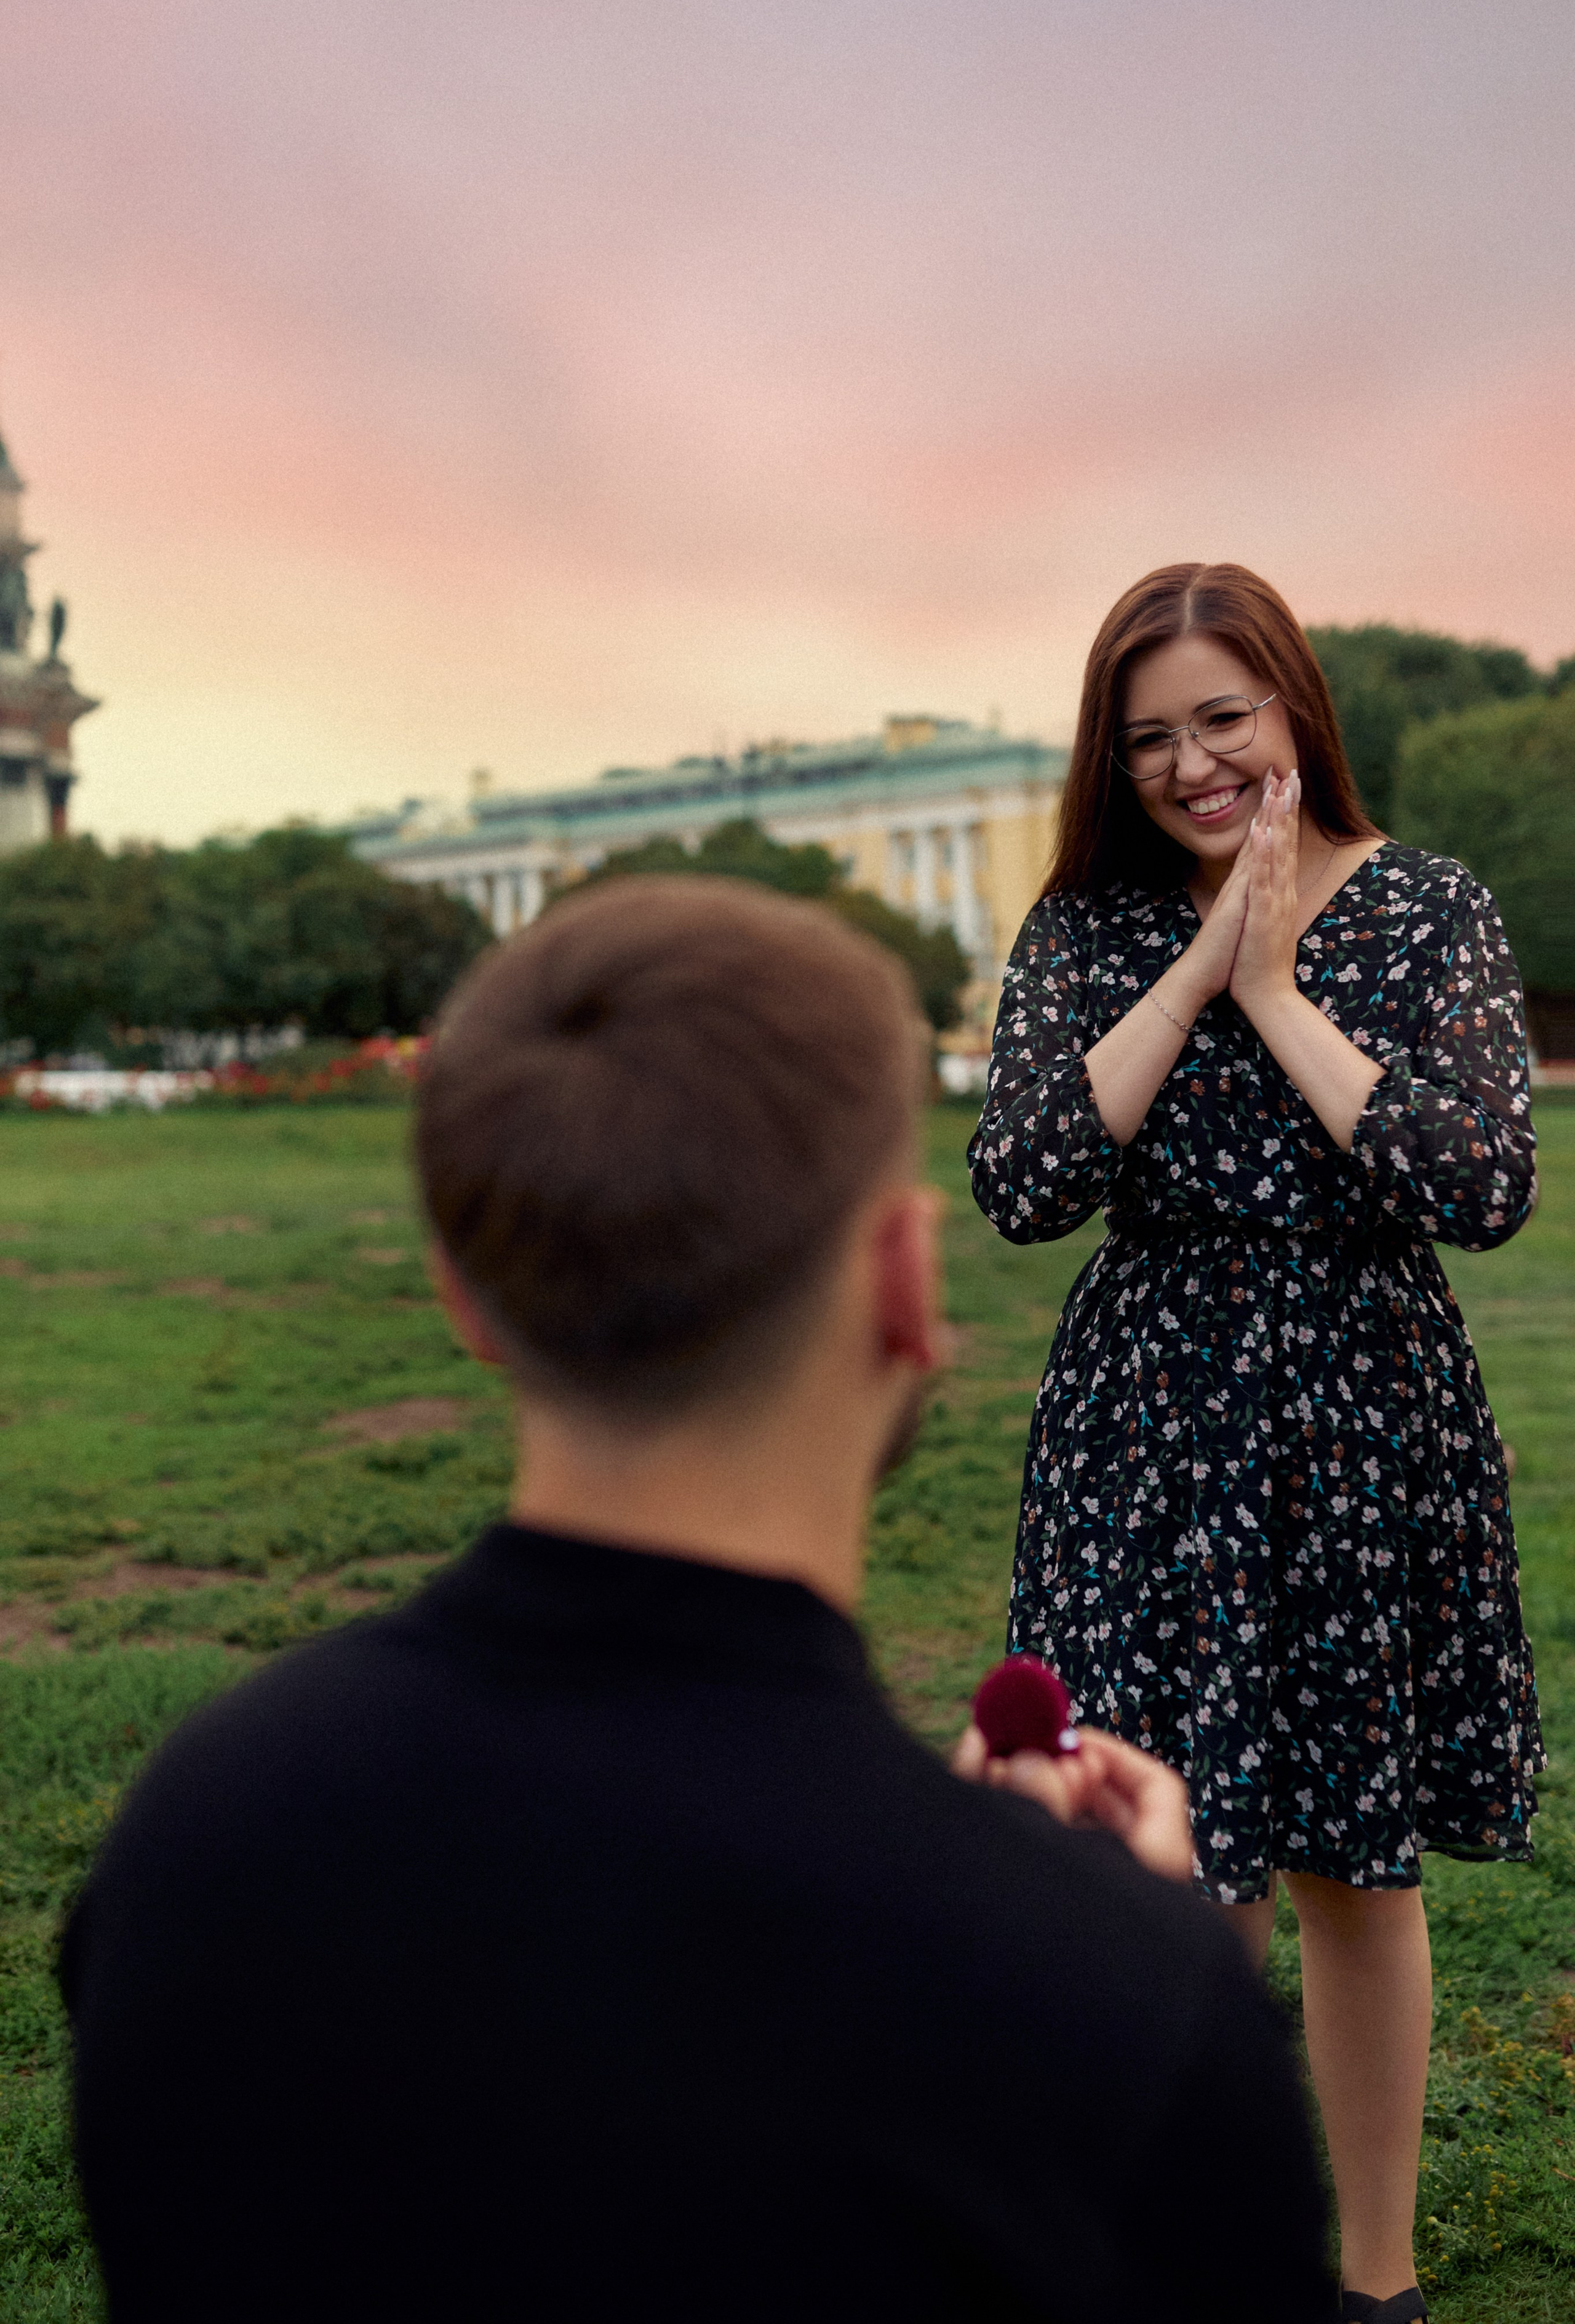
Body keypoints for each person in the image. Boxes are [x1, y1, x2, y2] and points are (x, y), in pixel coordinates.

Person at [64, 876, 1333, 2322]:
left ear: (465, 1298)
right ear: (905, 1281)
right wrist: (1106, 1946)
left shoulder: (196, 1831)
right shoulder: (1105, 1999)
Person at [970, 562, 1541, 2324]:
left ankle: (1374, 2284)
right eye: (1149, 737)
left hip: (1363, 1412)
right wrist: (1195, 967)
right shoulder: (1085, 927)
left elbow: (1478, 1183)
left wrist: (1279, 986)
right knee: (1175, 1861)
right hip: (1146, 1423)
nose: (1192, 764)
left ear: (1293, 703)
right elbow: (1023, 1182)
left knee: (1354, 1867)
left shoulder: (1428, 907)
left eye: (1222, 717)